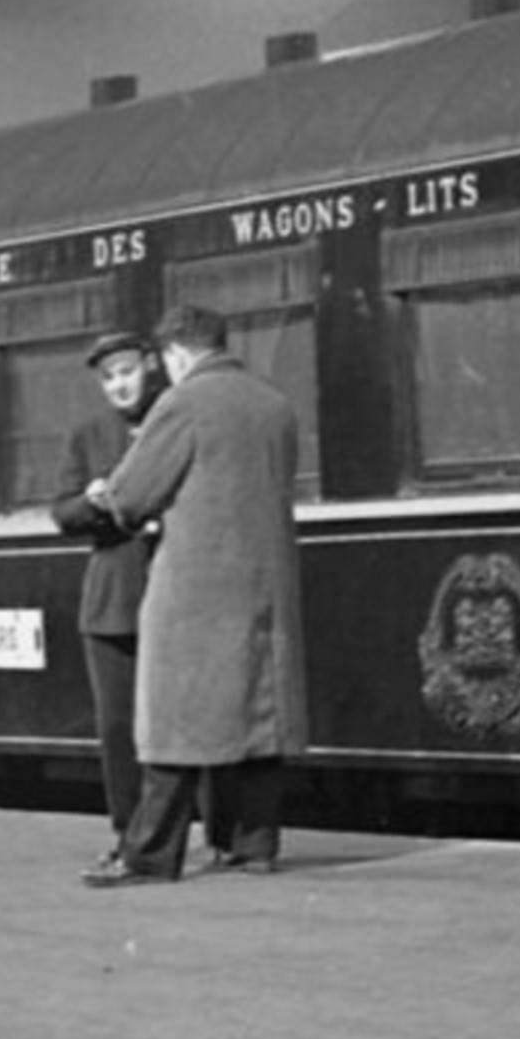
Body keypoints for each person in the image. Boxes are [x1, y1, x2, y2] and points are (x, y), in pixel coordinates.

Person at [77, 303, 309, 887]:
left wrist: (105, 494)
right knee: (259, 713)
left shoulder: (182, 403)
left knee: (173, 719)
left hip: (194, 590)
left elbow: (131, 497)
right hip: (267, 583)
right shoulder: (274, 405)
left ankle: (151, 854)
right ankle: (255, 846)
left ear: (178, 353)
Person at [47, 328, 163, 869]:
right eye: (108, 377)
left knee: (177, 723)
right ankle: (130, 837)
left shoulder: (174, 418)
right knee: (118, 728)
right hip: (113, 599)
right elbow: (62, 512)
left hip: (170, 590)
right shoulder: (88, 434)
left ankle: (197, 835)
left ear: (151, 365)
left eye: (127, 372)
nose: (119, 385)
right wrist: (93, 501)